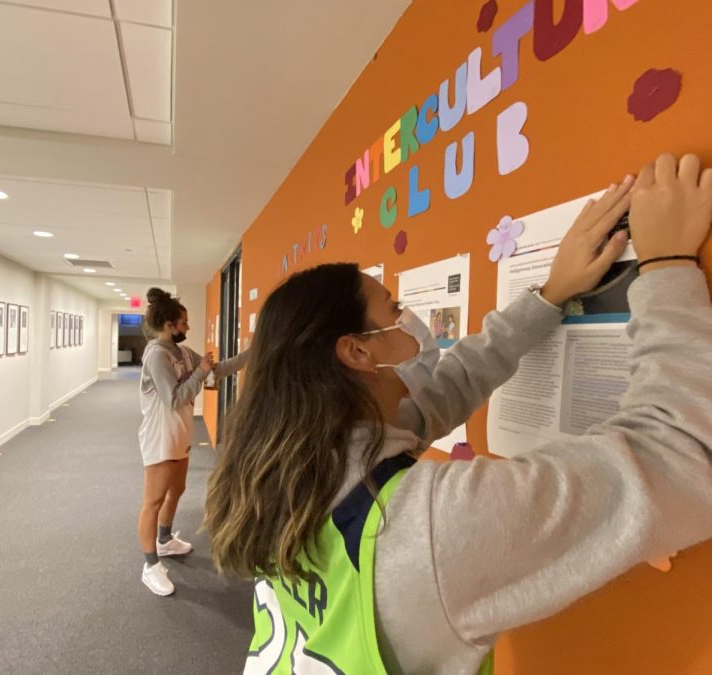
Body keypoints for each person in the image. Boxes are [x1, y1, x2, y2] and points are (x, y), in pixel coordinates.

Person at [205, 153, 712, 674]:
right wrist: (668, 265)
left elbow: (452, 385)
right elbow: (681, 456)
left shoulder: (284, 469)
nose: (409, 319)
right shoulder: (433, 523)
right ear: (358, 353)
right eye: (393, 309)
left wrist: (552, 293)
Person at [138, 287, 250, 596]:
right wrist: (200, 374)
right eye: (184, 323)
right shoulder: (157, 355)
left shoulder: (184, 353)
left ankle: (164, 541)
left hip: (180, 434)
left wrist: (256, 352)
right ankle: (150, 566)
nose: (188, 328)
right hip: (160, 437)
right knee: (154, 500)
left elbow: (220, 369)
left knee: (177, 490)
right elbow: (173, 398)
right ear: (169, 324)